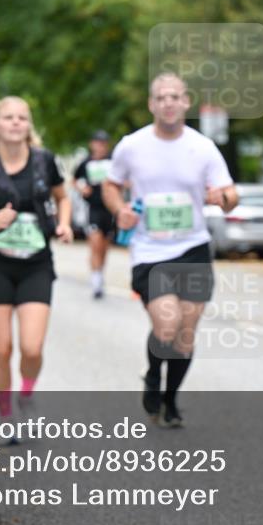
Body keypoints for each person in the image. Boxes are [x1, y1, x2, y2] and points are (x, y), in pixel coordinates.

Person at [103, 73, 238, 428]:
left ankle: (170, 399)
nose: (168, 102)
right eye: (161, 97)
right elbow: (111, 185)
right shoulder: (131, 146)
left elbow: (230, 193)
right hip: (149, 250)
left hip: (193, 247)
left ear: (185, 102)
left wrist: (221, 198)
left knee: (185, 334)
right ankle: (152, 376)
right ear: (152, 104)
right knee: (167, 325)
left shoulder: (202, 146)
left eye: (174, 96)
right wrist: (119, 209)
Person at [0, 97, 72, 442]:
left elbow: (62, 197)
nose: (16, 123)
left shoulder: (45, 161)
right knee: (2, 348)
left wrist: (64, 224)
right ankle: (6, 415)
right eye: (8, 117)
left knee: (32, 348)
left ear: (28, 125)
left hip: (36, 264)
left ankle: (26, 392)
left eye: (22, 117)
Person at [73, 129, 115, 299]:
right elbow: (75, 180)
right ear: (92, 144)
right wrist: (83, 188)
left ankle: (100, 273)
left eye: (103, 143)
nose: (100, 146)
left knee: (105, 246)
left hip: (110, 209)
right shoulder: (86, 163)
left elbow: (124, 179)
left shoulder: (113, 161)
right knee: (95, 243)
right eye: (97, 142)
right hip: (93, 208)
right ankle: (95, 279)